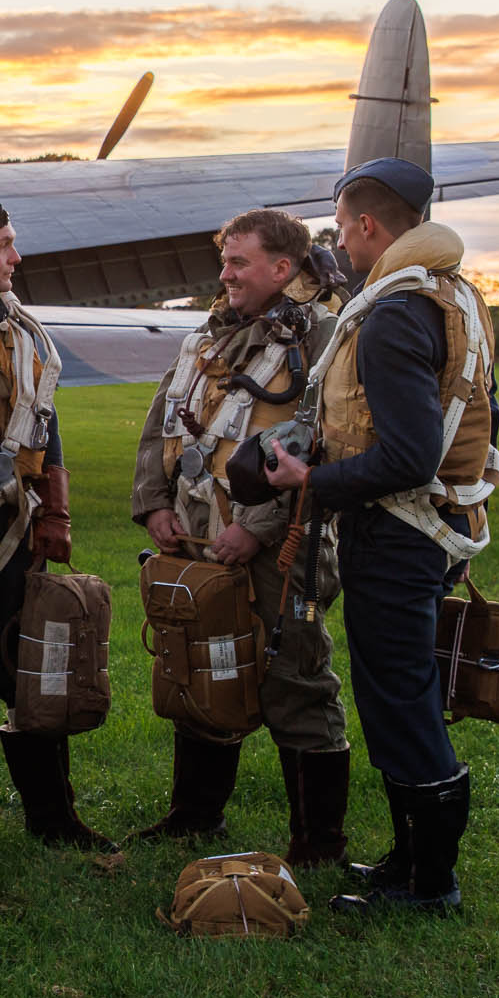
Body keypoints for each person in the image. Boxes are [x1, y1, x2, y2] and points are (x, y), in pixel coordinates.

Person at [267, 158, 499, 916]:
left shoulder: (396, 309)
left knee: (400, 702)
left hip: (399, 531)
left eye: (340, 227)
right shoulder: (455, 294)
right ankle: (408, 859)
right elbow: (485, 416)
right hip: (429, 527)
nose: (339, 241)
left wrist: (313, 484)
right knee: (404, 697)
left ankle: (430, 885)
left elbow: (406, 455)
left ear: (367, 225)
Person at [128, 209, 350, 865]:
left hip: (282, 551)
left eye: (239, 262)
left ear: (282, 268)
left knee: (296, 679)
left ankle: (318, 845)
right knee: (199, 670)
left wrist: (256, 530)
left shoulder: (323, 341)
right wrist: (153, 506)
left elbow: (328, 449)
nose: (224, 274)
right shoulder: (205, 337)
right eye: (223, 261)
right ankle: (195, 819)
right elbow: (159, 424)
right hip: (196, 542)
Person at [0, 190, 115, 851]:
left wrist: (55, 513)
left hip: (11, 522)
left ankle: (54, 820)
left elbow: (45, 419)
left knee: (31, 669)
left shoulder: (24, 334)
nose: (16, 256)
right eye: (3, 245)